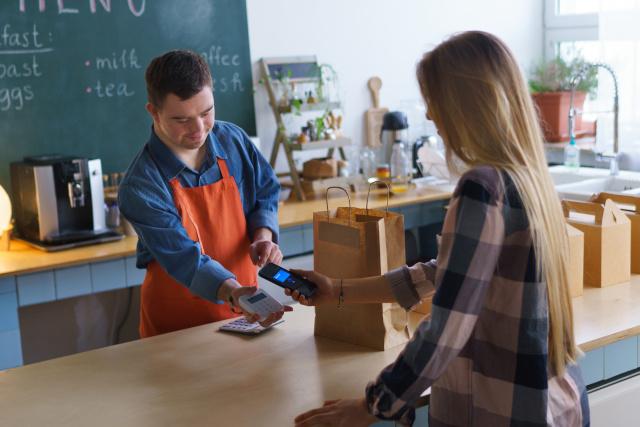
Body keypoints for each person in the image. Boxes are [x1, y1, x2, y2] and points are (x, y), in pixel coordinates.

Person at [289, 31, 589, 426]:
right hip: (552, 401)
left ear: (465, 104)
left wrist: (371, 405)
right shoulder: (528, 176)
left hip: (499, 411)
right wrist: (339, 290)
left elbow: (448, 326)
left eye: (434, 101)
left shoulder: (483, 187)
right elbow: (444, 274)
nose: (430, 116)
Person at [119, 50, 289, 338]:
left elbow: (265, 189)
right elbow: (185, 258)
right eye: (181, 119)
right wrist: (236, 293)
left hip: (244, 317)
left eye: (206, 112)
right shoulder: (141, 186)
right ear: (154, 112)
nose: (198, 129)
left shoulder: (232, 139)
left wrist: (263, 235)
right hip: (176, 333)